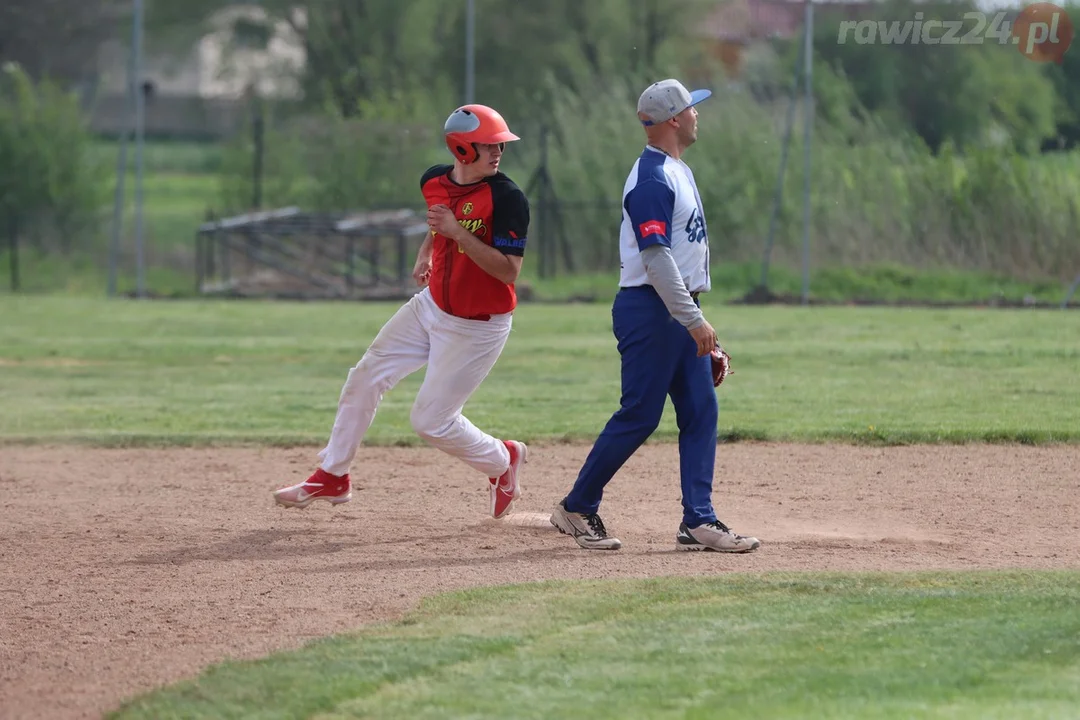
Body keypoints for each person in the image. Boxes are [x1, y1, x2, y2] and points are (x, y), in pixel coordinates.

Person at [272, 104, 530, 520]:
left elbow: (507, 270)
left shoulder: (508, 198)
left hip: (477, 326)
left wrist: (456, 233)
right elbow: (438, 220)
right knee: (364, 377)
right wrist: (428, 250)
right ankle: (333, 474)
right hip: (431, 307)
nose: (499, 151)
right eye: (490, 144)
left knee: (431, 422)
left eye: (501, 144)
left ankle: (503, 459)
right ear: (463, 149)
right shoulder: (433, 180)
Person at [549, 79, 761, 553]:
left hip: (675, 309)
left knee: (701, 410)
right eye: (691, 108)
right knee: (640, 414)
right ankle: (577, 507)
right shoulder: (651, 179)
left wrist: (695, 318)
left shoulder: (676, 169)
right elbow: (656, 258)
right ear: (672, 120)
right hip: (651, 310)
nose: (696, 114)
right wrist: (692, 320)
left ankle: (699, 521)